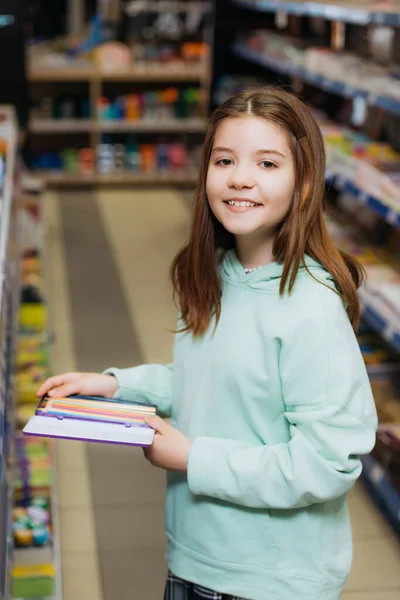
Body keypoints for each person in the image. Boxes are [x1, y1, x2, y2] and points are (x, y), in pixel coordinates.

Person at [37, 87, 377, 600]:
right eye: (224, 160)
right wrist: (113, 386)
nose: (240, 177)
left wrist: (194, 457)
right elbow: (213, 382)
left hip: (269, 580)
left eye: (267, 163)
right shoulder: (217, 274)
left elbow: (326, 463)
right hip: (194, 556)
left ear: (304, 180)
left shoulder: (310, 307)